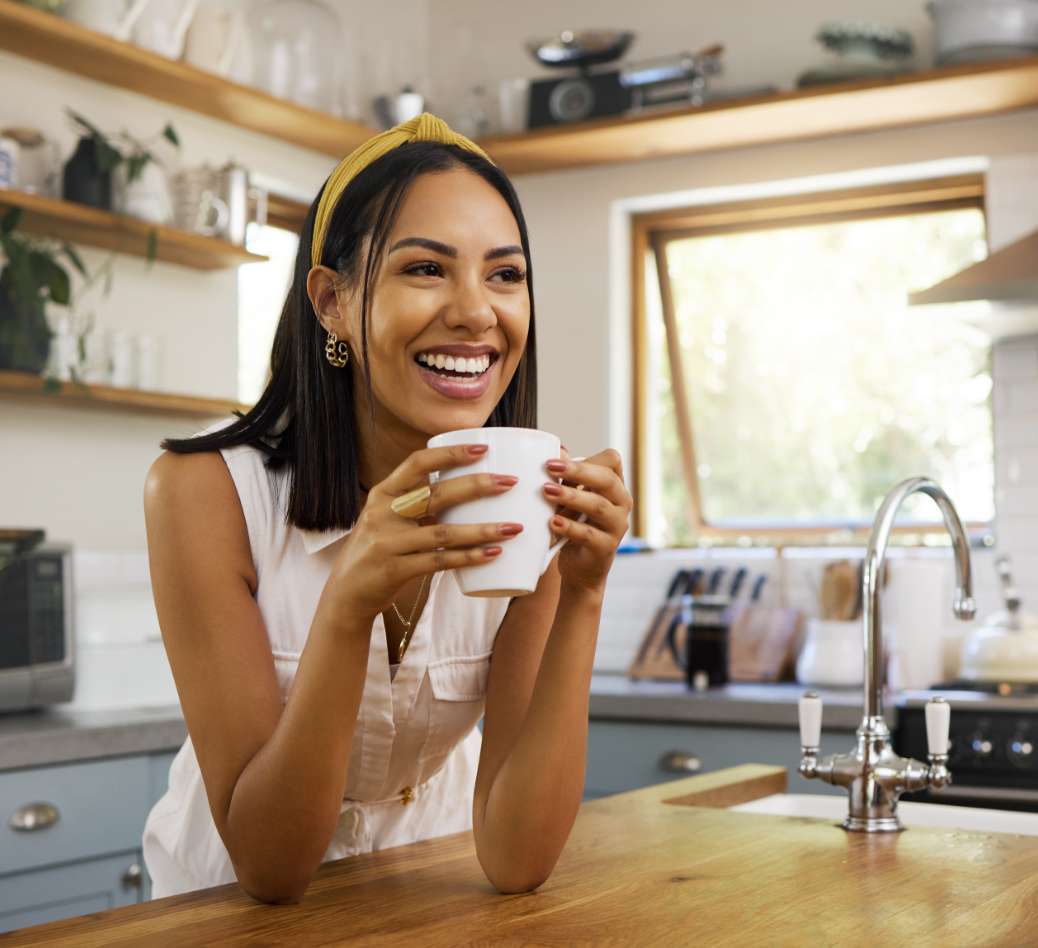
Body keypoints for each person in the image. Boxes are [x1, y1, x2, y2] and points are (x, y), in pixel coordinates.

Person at [140, 113, 632, 903]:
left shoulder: (526, 502)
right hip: (220, 913)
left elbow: (517, 860)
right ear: (331, 302)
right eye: (427, 269)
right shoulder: (203, 492)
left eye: (505, 275)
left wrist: (583, 592)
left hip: (421, 897)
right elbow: (270, 868)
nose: (477, 312)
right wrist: (347, 606)